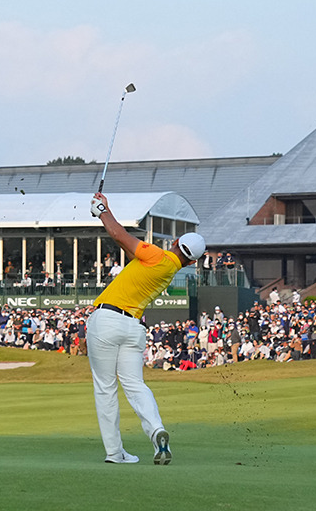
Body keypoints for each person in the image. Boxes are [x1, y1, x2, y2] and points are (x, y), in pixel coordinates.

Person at [86, 192, 206, 466]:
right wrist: (102, 214)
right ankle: (155, 431)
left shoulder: (157, 256)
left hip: (107, 321)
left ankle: (115, 453)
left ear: (175, 242)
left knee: (106, 388)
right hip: (132, 328)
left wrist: (102, 210)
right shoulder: (166, 266)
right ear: (192, 261)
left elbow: (119, 235)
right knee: (135, 385)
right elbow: (129, 248)